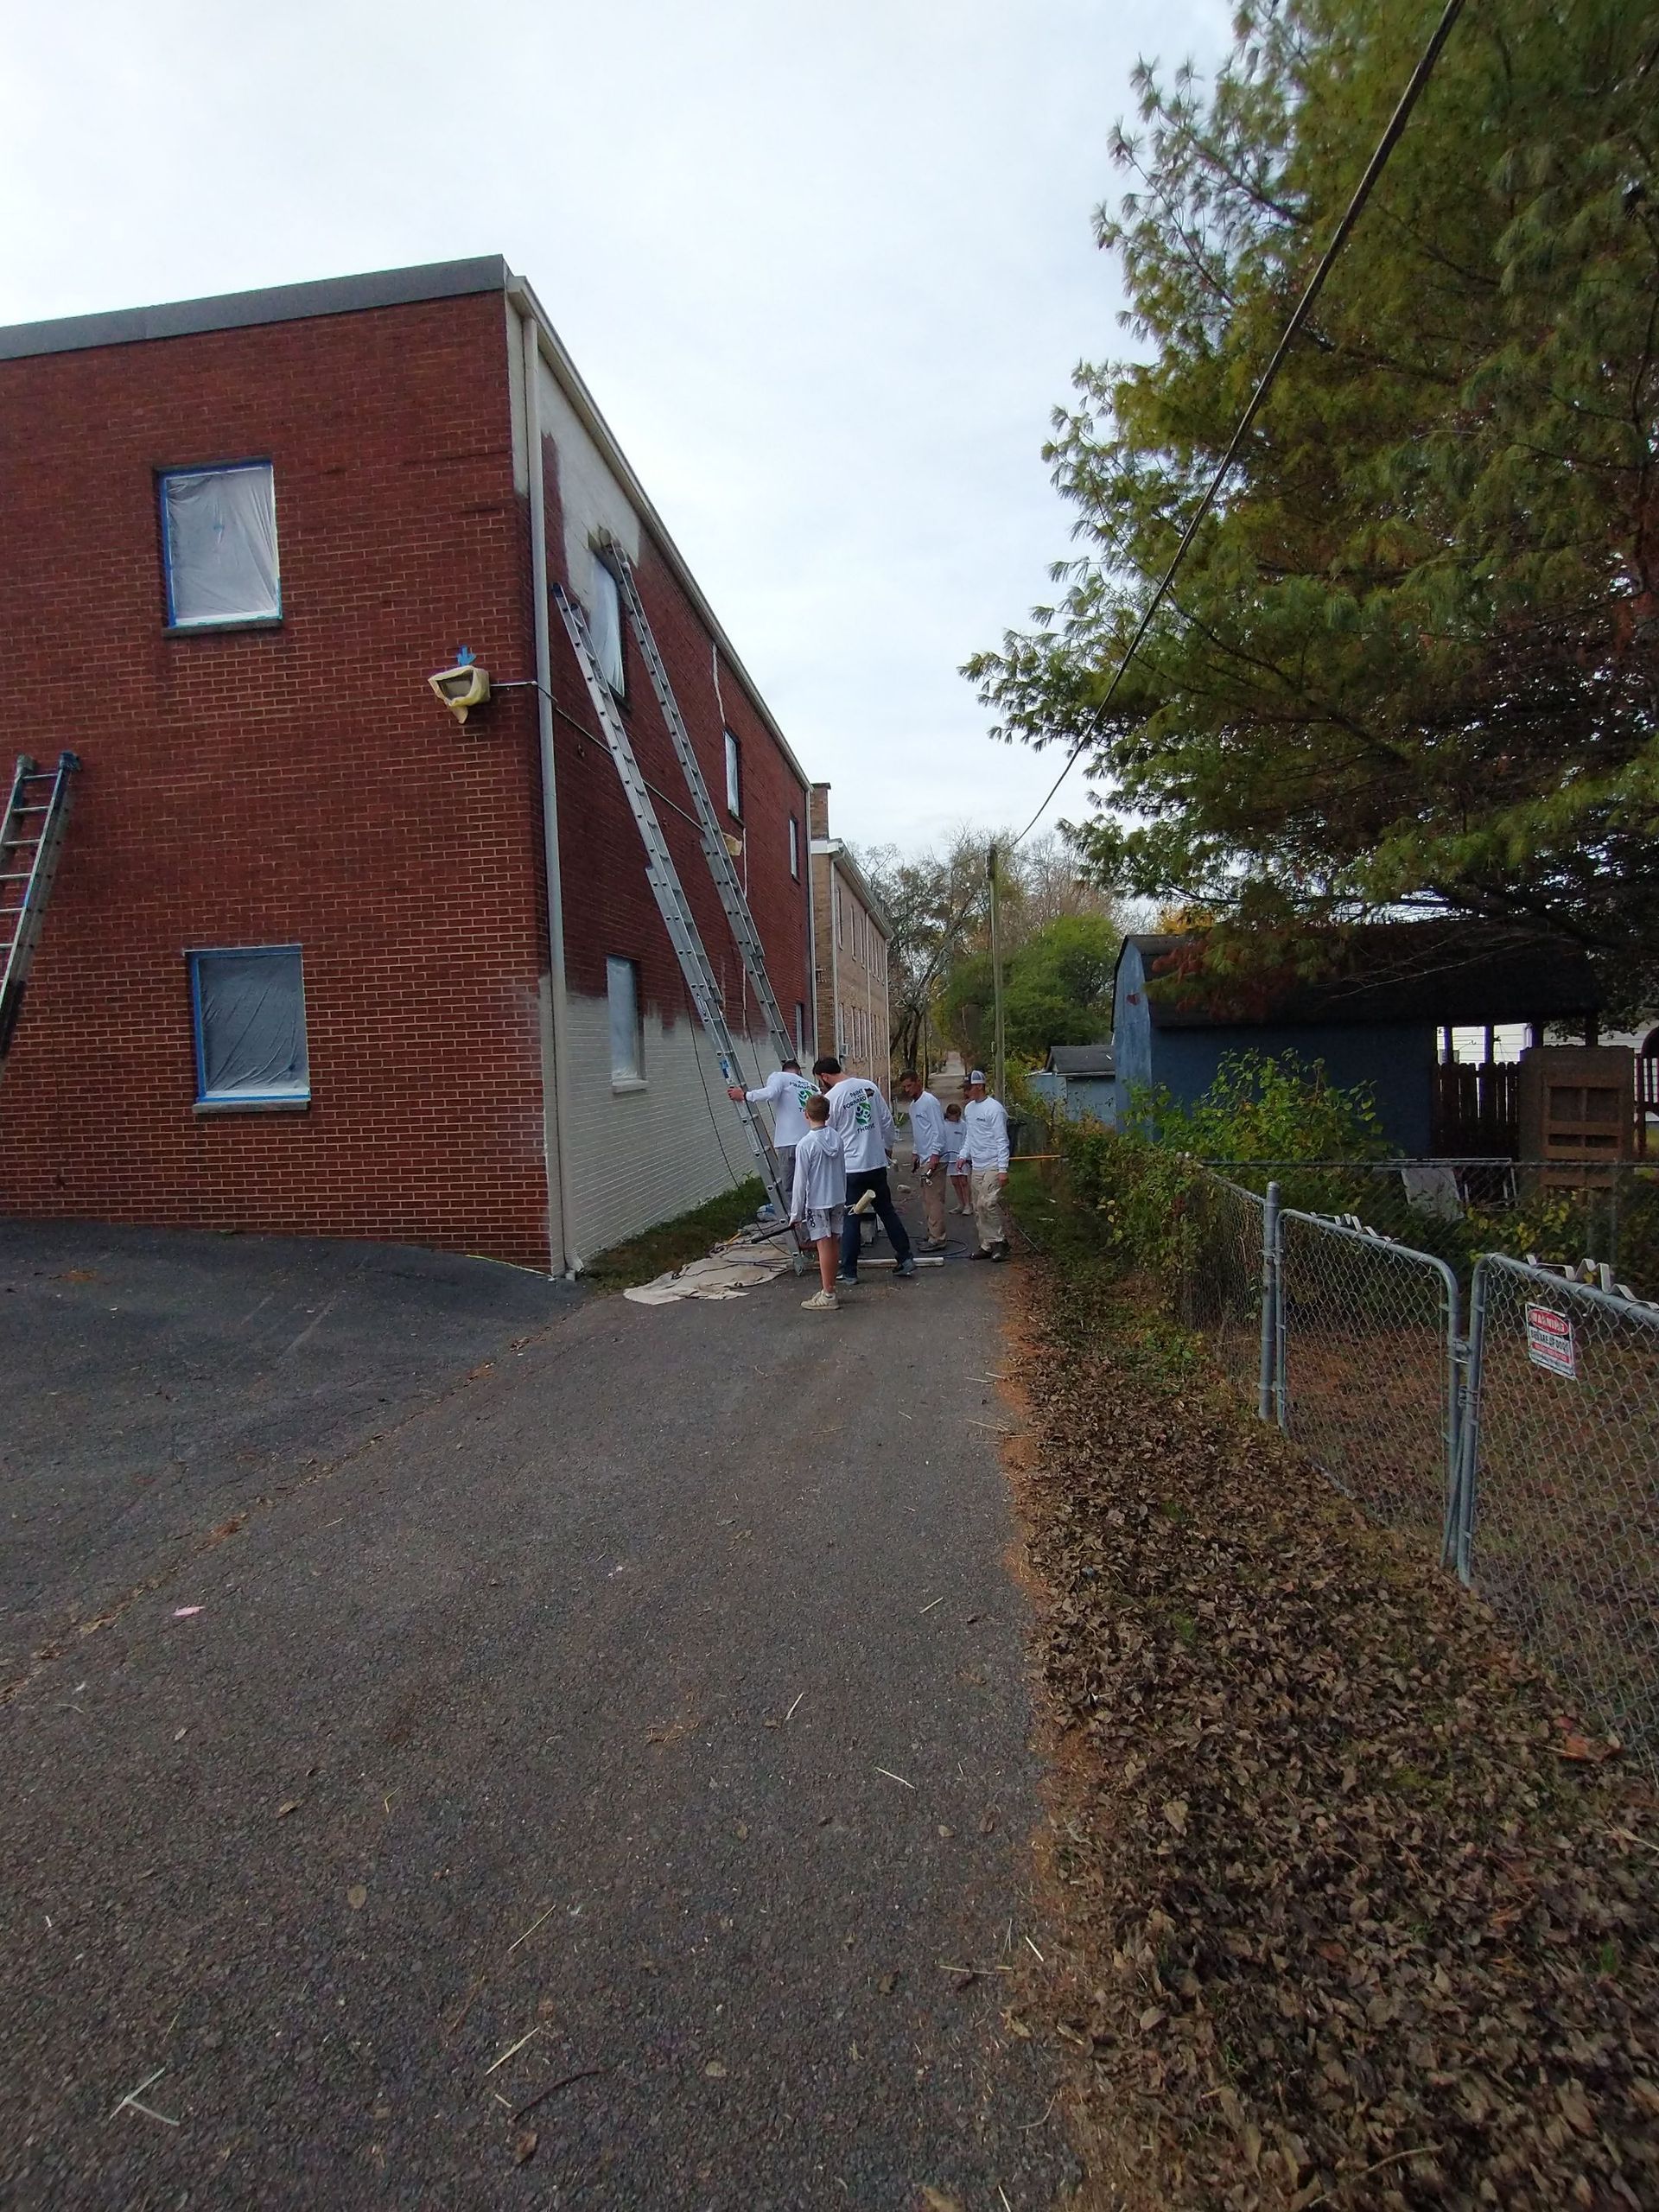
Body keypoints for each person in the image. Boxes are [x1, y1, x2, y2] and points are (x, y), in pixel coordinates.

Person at [810, 1055, 915, 1286]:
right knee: (887, 1211)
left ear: (825, 1077)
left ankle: (849, 1271)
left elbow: (828, 1136)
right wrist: (887, 1150)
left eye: (820, 1080)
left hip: (851, 1168)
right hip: (876, 1163)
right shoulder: (869, 1087)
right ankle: (906, 1257)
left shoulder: (831, 1098)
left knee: (851, 1217)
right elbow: (887, 1122)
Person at [727, 1058, 819, 1201]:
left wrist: (745, 1095)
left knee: (790, 1186)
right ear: (799, 1072)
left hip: (789, 1142)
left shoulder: (779, 1076)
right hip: (812, 1141)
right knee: (811, 1183)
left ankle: (797, 1219)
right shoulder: (812, 1087)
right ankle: (814, 1216)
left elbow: (770, 1093)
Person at [790, 1092, 846, 1312]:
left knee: (823, 1245)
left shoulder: (805, 1144)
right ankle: (828, 1287)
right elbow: (842, 1169)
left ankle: (829, 1294)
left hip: (818, 1200)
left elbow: (800, 1181)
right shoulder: (837, 1137)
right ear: (828, 1115)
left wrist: (796, 1214)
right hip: (838, 1196)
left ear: (806, 1114)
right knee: (833, 1244)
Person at [962, 1068, 1011, 1262]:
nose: (966, 1092)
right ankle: (987, 1245)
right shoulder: (969, 1109)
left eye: (969, 1088)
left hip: (993, 1162)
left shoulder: (994, 1109)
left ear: (979, 1086)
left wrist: (1003, 1169)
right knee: (977, 1207)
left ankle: (1000, 1241)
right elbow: (969, 1136)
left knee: (987, 1203)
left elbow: (1002, 1140)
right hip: (977, 1164)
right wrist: (963, 1155)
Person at [897, 1071, 948, 1250]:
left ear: (918, 1082)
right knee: (926, 1200)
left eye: (910, 1085)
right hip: (924, 1156)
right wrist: (916, 1152)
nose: (907, 1090)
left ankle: (938, 1238)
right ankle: (931, 1233)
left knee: (934, 1200)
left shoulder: (929, 1102)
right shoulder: (913, 1106)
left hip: (935, 1159)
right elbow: (919, 1132)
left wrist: (935, 1155)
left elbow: (939, 1131)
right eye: (904, 1087)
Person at [944, 1101, 971, 1216]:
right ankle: (960, 1204)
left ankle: (968, 1205)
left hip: (961, 1157)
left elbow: (967, 1139)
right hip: (949, 1157)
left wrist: (964, 1155)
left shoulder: (963, 1125)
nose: (957, 1117)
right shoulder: (944, 1125)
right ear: (949, 1115)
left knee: (963, 1181)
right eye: (955, 1115)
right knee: (955, 1182)